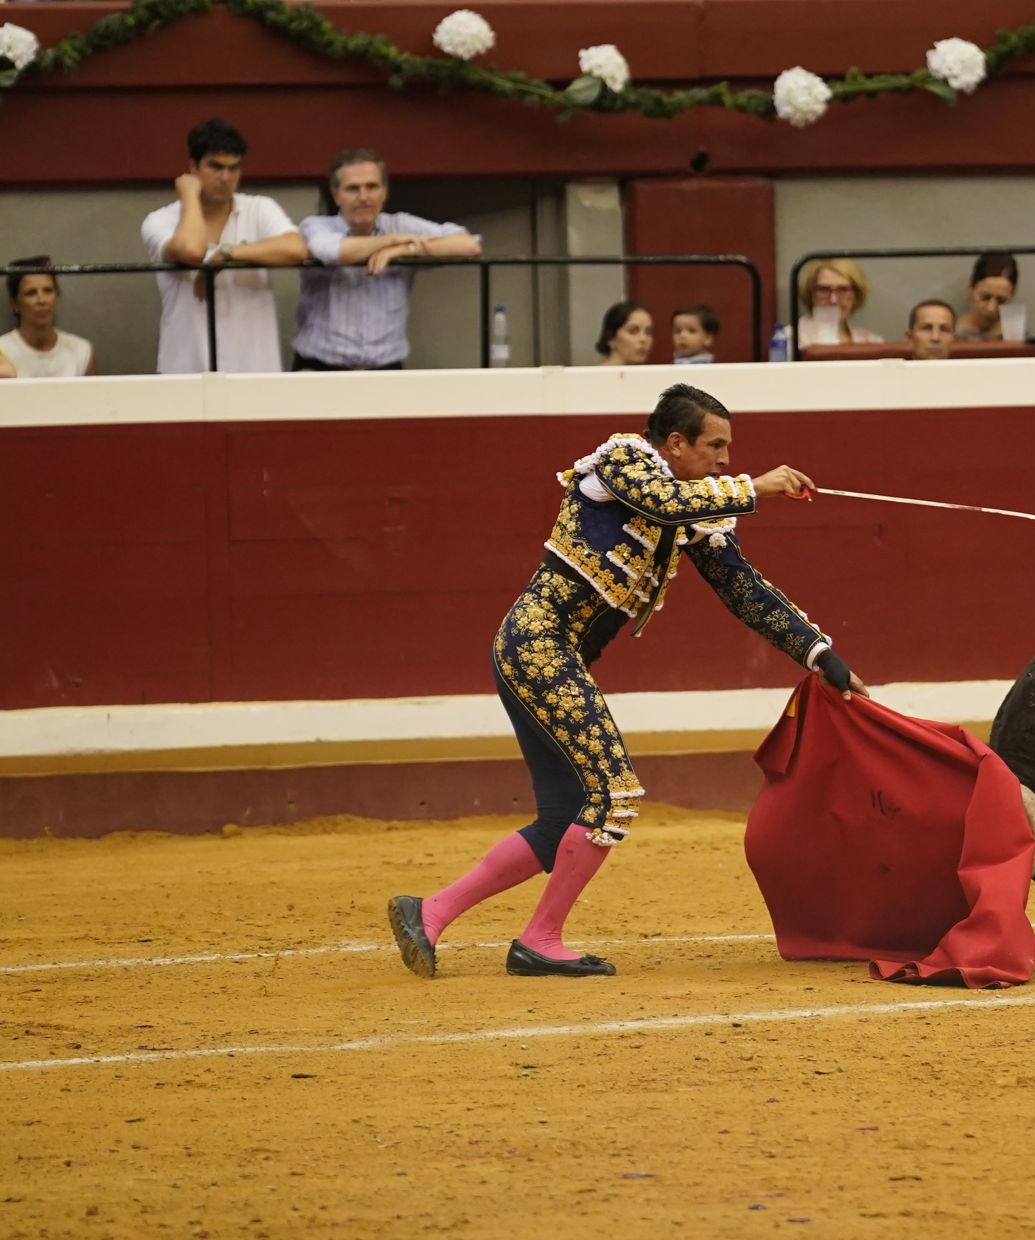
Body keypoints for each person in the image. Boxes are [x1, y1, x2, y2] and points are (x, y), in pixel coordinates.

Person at [386, 383, 869, 979]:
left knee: (565, 815)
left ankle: (428, 913)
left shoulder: (696, 504)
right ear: (675, 442)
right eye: (714, 446)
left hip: (548, 655)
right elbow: (663, 503)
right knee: (614, 793)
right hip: (538, 647)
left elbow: (744, 591)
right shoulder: (624, 460)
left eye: (729, 449)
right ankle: (541, 938)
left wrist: (822, 655)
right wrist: (755, 487)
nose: (724, 458)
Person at [140, 117, 307, 373]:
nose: (225, 177)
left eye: (234, 168)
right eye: (215, 167)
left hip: (254, 369)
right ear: (193, 168)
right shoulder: (160, 219)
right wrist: (188, 196)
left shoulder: (259, 208)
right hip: (186, 369)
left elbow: (296, 248)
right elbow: (192, 251)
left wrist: (227, 254)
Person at [291, 148, 481, 371]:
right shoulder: (316, 225)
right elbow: (335, 252)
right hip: (320, 368)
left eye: (372, 187)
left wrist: (406, 249)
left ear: (384, 192)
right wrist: (392, 241)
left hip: (386, 368)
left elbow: (469, 245)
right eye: (353, 189)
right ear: (336, 195)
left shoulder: (400, 224)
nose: (363, 197)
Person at [0, 256, 97, 378]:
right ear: (15, 303)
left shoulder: (81, 351)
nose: (42, 300)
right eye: (31, 293)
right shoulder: (3, 350)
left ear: (57, 296)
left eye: (48, 291)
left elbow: (95, 395)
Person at [771, 257, 885, 358]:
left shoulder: (871, 342)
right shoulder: (789, 339)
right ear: (811, 294)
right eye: (824, 290)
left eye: (843, 289)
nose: (833, 300)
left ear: (856, 295)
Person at [956, 253, 1017, 342]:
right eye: (985, 297)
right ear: (971, 291)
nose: (991, 308)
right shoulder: (949, 336)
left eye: (1001, 301)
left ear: (1011, 298)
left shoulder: (1018, 339)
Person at [596, 301, 654, 366]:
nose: (643, 339)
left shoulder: (650, 375)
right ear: (611, 338)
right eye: (633, 331)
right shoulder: (596, 375)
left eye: (648, 332)